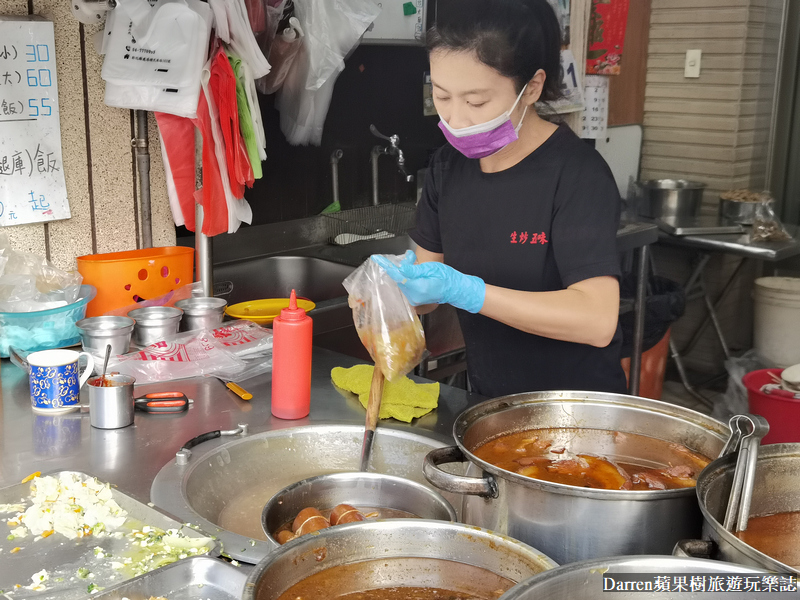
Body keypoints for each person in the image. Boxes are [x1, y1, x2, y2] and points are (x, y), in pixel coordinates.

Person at [373, 0, 628, 397]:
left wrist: (468, 291)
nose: (455, 119)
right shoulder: (447, 169)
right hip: (491, 406)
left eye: (476, 102)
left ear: (532, 88)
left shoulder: (578, 174)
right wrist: (393, 287)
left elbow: (596, 320)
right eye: (441, 96)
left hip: (577, 412)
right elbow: (428, 292)